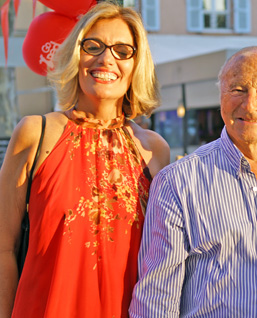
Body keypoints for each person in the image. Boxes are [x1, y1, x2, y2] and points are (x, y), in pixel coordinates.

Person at [129, 46, 257, 317]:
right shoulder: (177, 183)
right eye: (238, 89)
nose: (250, 105)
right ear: (221, 96)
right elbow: (155, 303)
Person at [0, 2, 170, 317]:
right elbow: (3, 249)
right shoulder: (36, 133)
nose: (106, 59)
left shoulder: (154, 150)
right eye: (93, 46)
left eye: (123, 50)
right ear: (76, 55)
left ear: (137, 65)